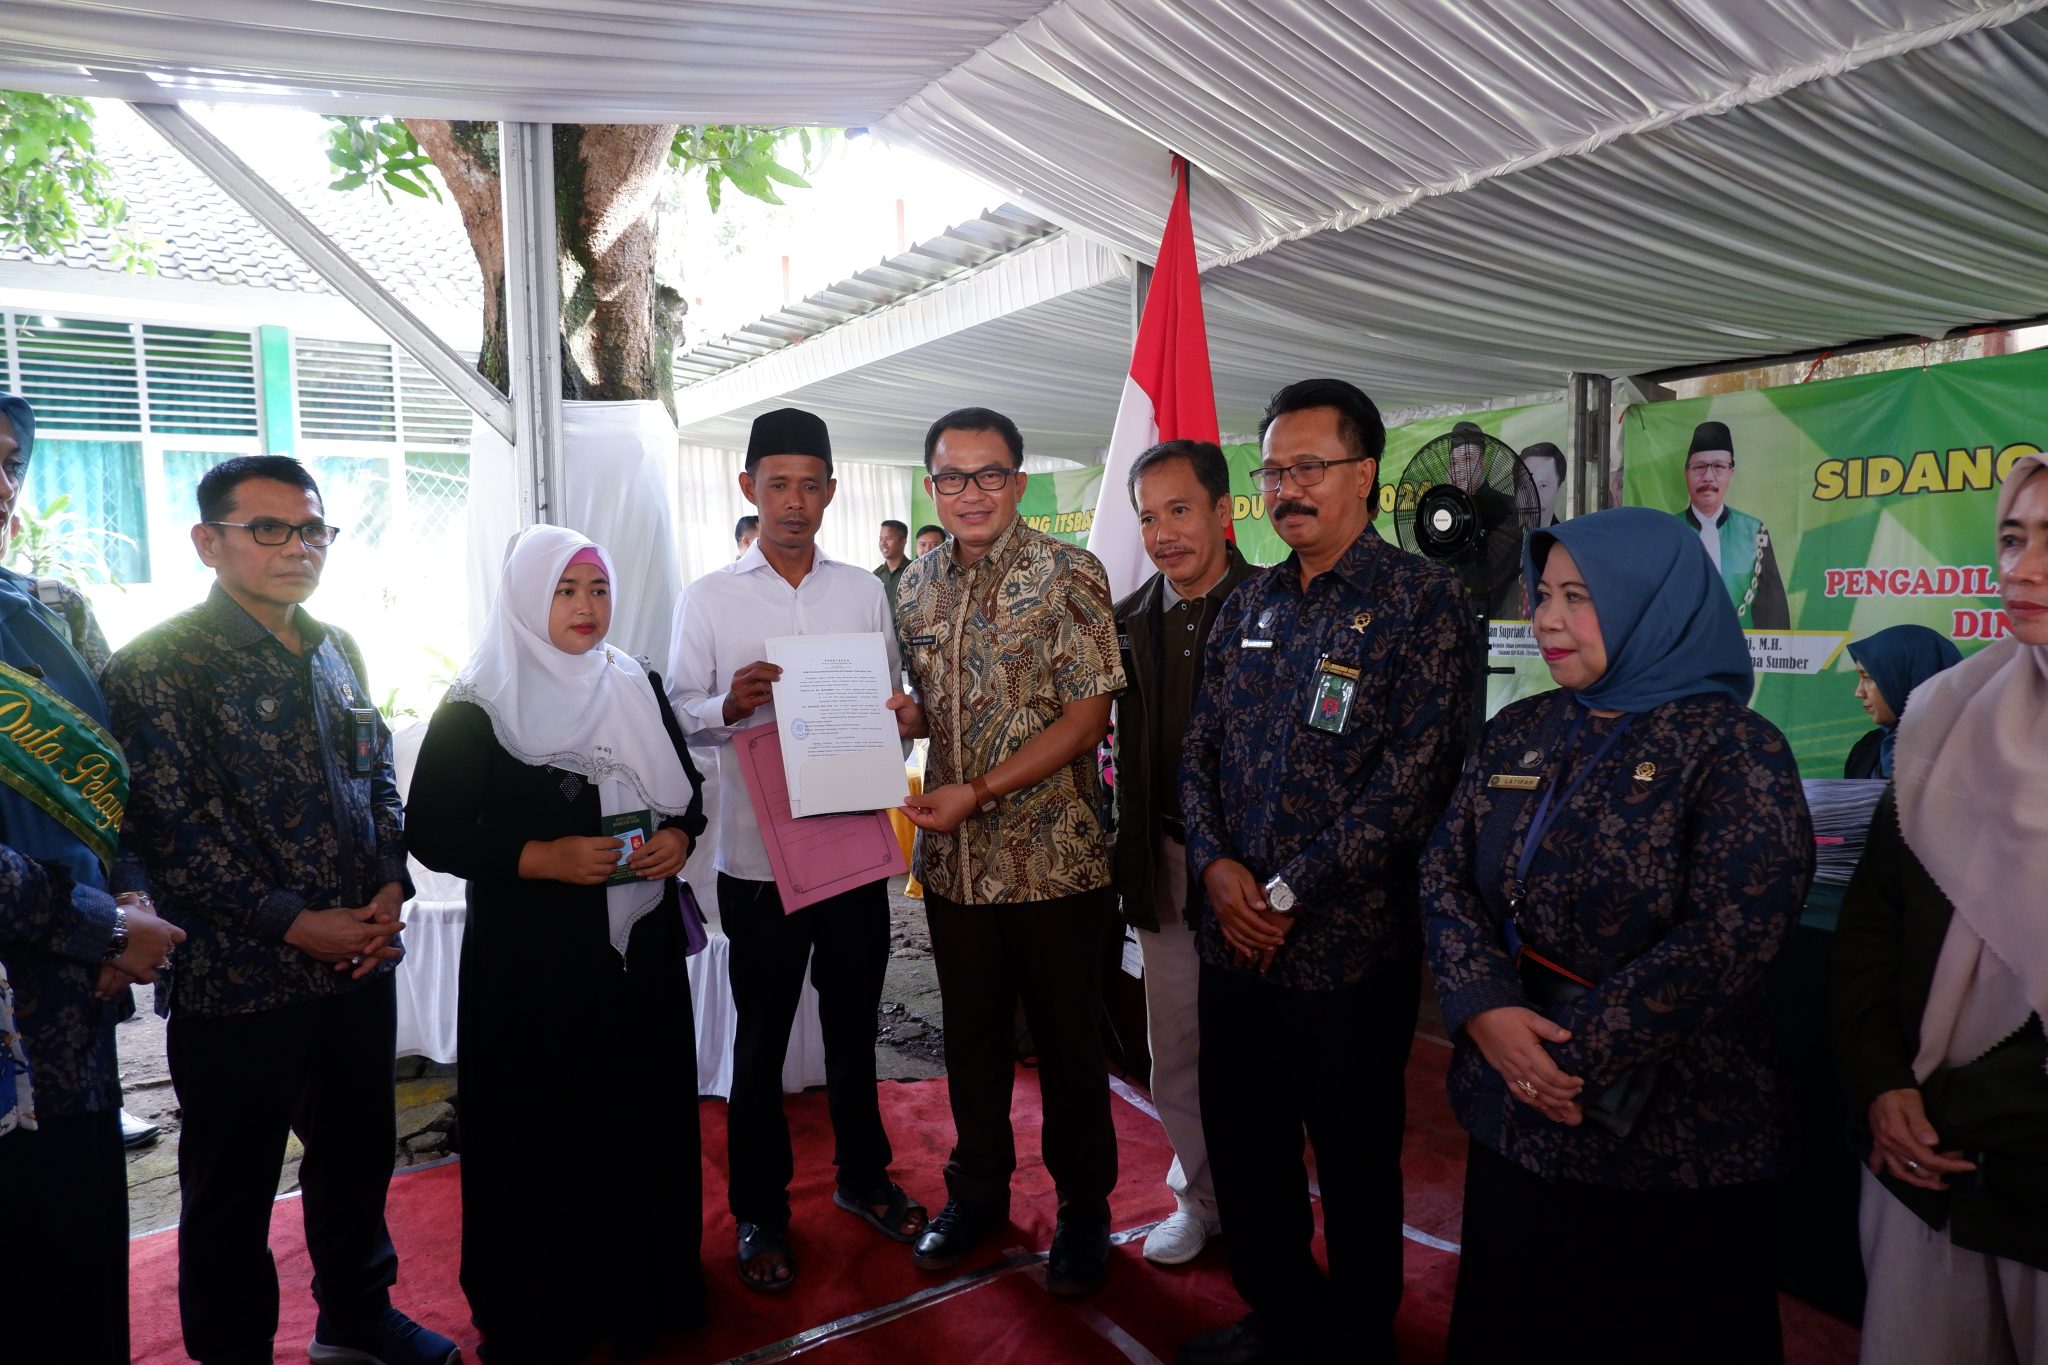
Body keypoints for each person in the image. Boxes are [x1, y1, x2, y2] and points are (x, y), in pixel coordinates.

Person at [1420, 506, 1813, 1365]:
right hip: (1516, 1126)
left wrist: (1562, 1055)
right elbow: (1444, 872)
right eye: (1543, 594)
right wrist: (1486, 1011)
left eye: (1579, 597)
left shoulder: (1735, 749)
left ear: (1653, 604)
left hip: (1670, 1151)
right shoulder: (1520, 730)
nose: (1548, 619)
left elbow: (1732, 933)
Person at [102, 455, 459, 1365]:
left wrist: (388, 886)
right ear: (208, 541)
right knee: (232, 1186)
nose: (297, 547)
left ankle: (355, 1315)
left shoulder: (338, 643)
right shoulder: (157, 666)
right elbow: (170, 829)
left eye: (312, 530)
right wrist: (292, 919)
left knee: (356, 1158)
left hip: (354, 962)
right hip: (236, 978)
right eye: (269, 529)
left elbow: (377, 776)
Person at [1178, 379, 1472, 1365]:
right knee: (1247, 1146)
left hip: (1347, 953)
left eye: (1309, 467)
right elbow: (1197, 752)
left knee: (1352, 1160)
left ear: (1365, 473)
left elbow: (1416, 777)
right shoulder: (1246, 604)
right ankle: (1278, 1313)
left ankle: (1355, 1334)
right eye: (1273, 469)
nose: (1287, 488)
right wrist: (1217, 866)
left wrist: (1287, 890)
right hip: (1234, 942)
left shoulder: (1421, 604)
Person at [408, 524, 708, 1361]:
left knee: (643, 1115)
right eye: (565, 590)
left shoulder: (636, 680)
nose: (586, 608)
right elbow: (430, 829)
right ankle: (548, 1304)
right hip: (533, 961)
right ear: (525, 598)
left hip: (637, 950)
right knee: (547, 1129)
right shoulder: (479, 703)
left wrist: (679, 841)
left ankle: (650, 1283)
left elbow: (687, 798)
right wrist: (538, 857)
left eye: (599, 589)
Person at [669, 407, 925, 1292]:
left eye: (811, 485)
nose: (795, 502)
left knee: (855, 1023)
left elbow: (889, 700)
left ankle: (862, 1177)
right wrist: (728, 706)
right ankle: (759, 1212)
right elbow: (678, 715)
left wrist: (895, 722)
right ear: (748, 488)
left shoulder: (861, 589)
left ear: (831, 491)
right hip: (758, 857)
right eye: (777, 484)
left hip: (853, 844)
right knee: (762, 1040)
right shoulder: (708, 598)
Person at [891, 406, 1125, 1297]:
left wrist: (982, 791)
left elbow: (1086, 716)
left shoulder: (1071, 573)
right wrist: (910, 717)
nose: (971, 492)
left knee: (1069, 1049)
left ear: (1019, 481)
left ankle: (1084, 1212)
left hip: (1054, 862)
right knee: (973, 1041)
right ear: (931, 487)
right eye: (952, 477)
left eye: (989, 475)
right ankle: (979, 1193)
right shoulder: (913, 585)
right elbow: (926, 703)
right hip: (954, 869)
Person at [1833, 453, 2048, 1365]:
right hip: (1925, 1162)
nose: (2021, 568)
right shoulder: (1944, 721)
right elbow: (1873, 926)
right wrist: (1885, 1084)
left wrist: (1973, 1109)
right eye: (2012, 537)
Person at [0, 391, 184, 1364]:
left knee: (74, 1275)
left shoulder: (54, 612)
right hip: (41, 981)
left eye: (8, 462)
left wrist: (133, 900)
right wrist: (101, 927)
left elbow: (120, 780)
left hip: (72, 1018)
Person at [1108, 438, 1254, 1267]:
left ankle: (1261, 1199)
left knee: (1260, 1053)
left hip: (1260, 878)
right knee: (1179, 1046)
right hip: (1164, 861)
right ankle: (1199, 1197)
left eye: (1180, 510)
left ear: (1225, 511)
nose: (1164, 533)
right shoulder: (1128, 620)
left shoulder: (1280, 606)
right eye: (1148, 517)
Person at [1680, 420, 1789, 630]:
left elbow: (1773, 612)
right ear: (1686, 473)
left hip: (1743, 655)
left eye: (1719, 467)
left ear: (1731, 472)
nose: (1708, 477)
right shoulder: (1668, 531)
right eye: (1699, 467)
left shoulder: (1754, 532)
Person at [1842, 624, 1962, 779]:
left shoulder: (1967, 755)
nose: (1859, 692)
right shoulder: (1866, 749)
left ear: (1907, 677)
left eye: (1868, 678)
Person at [1520, 441, 1565, 528]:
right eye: (1525, 487)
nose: (1532, 499)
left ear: (1559, 489)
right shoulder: (1499, 539)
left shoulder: (1565, 540)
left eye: (1543, 486)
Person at [875, 517, 911, 624]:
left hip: (908, 636)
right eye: (881, 539)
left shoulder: (914, 571)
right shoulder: (875, 575)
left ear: (903, 541)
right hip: (882, 637)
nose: (883, 543)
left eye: (888, 538)